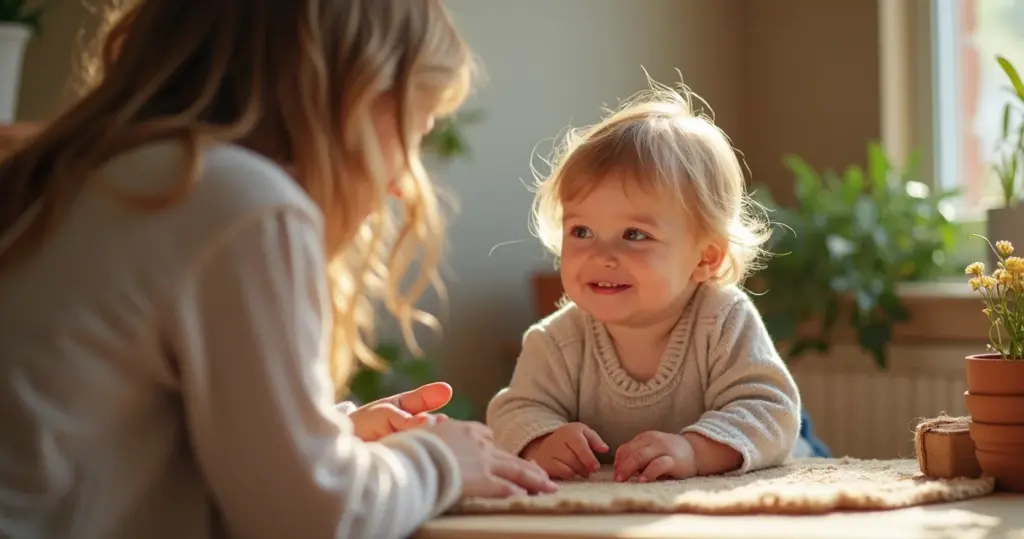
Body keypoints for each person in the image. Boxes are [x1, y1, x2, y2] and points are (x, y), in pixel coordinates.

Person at [0, 1, 556, 538]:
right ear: (351, 96)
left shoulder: (76, 174)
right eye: (415, 128)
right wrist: (440, 460)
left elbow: (129, 454)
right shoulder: (232, 199)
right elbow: (311, 519)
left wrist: (328, 438)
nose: (398, 182)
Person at [486, 77, 802, 483]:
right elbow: (513, 410)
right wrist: (542, 440)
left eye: (635, 235)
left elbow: (770, 411)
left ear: (706, 257)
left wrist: (695, 450)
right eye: (581, 231)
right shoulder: (558, 341)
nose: (601, 255)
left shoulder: (722, 319)